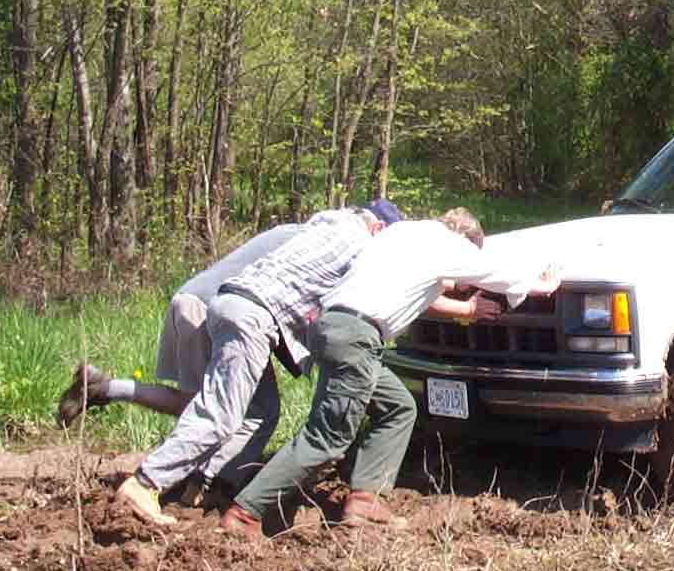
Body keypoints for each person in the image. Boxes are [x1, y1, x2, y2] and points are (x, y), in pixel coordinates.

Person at [218, 207, 562, 536]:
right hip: (357, 338)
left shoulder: (401, 236)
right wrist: (540, 285)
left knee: (398, 407)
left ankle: (366, 499)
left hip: (334, 327)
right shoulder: (450, 244)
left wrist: (466, 306)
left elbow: (419, 294)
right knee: (328, 437)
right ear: (465, 240)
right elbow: (495, 271)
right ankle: (246, 511)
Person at [115, 200, 401, 526]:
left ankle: (208, 485)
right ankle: (146, 483)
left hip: (231, 301)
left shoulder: (322, 227)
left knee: (262, 410)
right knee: (221, 412)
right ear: (377, 228)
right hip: (252, 316)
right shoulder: (361, 246)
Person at [57, 223, 303, 503]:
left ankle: (106, 388)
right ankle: (207, 484)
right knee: (255, 410)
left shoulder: (293, 231)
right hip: (215, 308)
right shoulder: (317, 245)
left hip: (192, 300)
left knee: (195, 403)